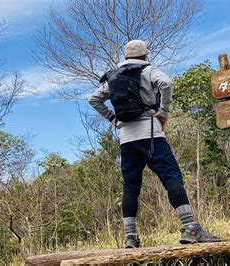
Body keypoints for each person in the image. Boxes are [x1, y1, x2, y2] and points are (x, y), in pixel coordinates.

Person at [88, 40, 220, 248]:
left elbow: (94, 99)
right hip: (151, 134)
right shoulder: (147, 69)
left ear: (126, 56)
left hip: (126, 140)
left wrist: (113, 120)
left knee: (131, 186)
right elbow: (166, 84)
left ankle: (131, 237)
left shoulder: (113, 75)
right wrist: (163, 114)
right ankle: (190, 228)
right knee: (172, 177)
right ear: (145, 55)